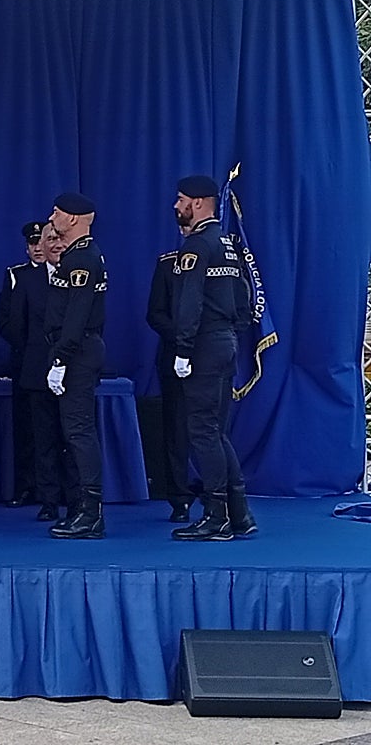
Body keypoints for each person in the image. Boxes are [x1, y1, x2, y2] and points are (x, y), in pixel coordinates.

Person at [169, 175, 258, 542]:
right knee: (217, 432)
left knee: (203, 432)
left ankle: (216, 515)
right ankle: (239, 512)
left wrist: (183, 348)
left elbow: (188, 303)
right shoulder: (229, 245)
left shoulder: (196, 246)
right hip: (226, 340)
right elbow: (244, 299)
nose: (176, 206)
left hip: (204, 344)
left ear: (198, 203)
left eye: (181, 199)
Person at [44, 192, 107, 539]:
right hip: (76, 349)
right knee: (74, 431)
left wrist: (61, 358)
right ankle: (82, 507)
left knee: (80, 432)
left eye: (57, 212)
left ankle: (91, 512)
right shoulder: (74, 255)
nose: (51, 217)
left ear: (72, 218)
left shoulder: (83, 258)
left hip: (77, 351)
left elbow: (76, 316)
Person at [12, 222, 76, 522]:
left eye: (60, 238)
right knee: (44, 440)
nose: (55, 244)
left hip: (74, 371)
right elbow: (18, 327)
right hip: (38, 371)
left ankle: (76, 500)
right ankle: (49, 500)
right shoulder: (28, 280)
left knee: (73, 438)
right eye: (49, 240)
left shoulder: (79, 273)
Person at [0, 221, 45, 507]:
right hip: (25, 360)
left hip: (55, 359)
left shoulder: (63, 273)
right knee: (25, 426)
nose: (37, 248)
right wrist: (25, 345)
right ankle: (26, 486)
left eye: (41, 242)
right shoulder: (15, 275)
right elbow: (5, 319)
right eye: (32, 243)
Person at [145, 234, 193, 523]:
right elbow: (155, 313)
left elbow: (238, 309)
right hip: (174, 357)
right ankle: (179, 498)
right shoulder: (167, 265)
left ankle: (219, 497)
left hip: (212, 356)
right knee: (176, 429)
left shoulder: (224, 263)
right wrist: (182, 337)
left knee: (213, 429)